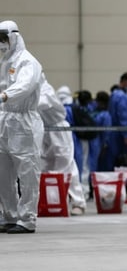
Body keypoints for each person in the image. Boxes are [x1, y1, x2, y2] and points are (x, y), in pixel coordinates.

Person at [0, 20, 44, 234]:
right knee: (3, 172)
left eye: (3, 38)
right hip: (4, 119)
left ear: (14, 36)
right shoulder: (4, 62)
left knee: (27, 172)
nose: (1, 43)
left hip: (23, 121)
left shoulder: (28, 61)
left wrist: (6, 95)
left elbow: (25, 85)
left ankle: (27, 219)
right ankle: (9, 216)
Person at [37, 75, 87, 215]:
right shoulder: (30, 91)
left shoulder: (47, 91)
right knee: (45, 166)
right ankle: (52, 202)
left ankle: (78, 203)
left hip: (59, 130)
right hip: (45, 131)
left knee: (66, 166)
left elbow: (38, 103)